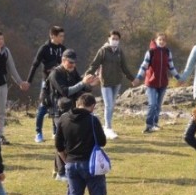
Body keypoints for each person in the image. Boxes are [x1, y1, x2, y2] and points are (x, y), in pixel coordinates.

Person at [56, 93, 110, 195]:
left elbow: (58, 146)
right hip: (91, 165)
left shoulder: (63, 119)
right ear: (92, 106)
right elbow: (102, 142)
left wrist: (66, 161)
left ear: (77, 103)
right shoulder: (92, 120)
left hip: (71, 164)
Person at [47, 50, 96, 180]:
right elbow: (65, 92)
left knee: (66, 140)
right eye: (70, 62)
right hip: (58, 110)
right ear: (63, 60)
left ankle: (58, 170)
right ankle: (62, 172)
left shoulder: (72, 71)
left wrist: (90, 84)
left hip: (71, 110)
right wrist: (82, 83)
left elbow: (81, 86)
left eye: (74, 63)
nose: (73, 65)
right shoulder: (55, 74)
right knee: (62, 141)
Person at [86, 30, 135, 140]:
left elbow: (124, 66)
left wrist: (132, 78)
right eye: (113, 38)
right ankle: (108, 128)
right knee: (108, 105)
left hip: (116, 82)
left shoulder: (119, 51)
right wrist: (87, 75)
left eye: (117, 39)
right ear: (109, 39)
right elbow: (94, 64)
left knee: (112, 105)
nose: (115, 41)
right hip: (106, 82)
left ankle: (106, 126)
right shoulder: (103, 50)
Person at [134, 33, 183, 133]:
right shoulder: (151, 52)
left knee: (158, 105)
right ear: (156, 40)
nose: (161, 42)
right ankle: (148, 125)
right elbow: (144, 66)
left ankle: (155, 123)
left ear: (166, 42)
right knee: (152, 104)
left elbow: (171, 67)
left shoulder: (167, 52)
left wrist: (179, 77)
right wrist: (138, 77)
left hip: (163, 83)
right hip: (151, 83)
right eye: (160, 40)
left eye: (163, 40)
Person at [27, 25, 66, 143]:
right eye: (60, 36)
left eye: (63, 36)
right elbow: (35, 64)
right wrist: (29, 81)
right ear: (52, 36)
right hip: (47, 82)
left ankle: (56, 132)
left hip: (59, 82)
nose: (62, 38)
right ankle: (38, 132)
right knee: (43, 107)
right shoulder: (44, 48)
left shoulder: (63, 49)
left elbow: (68, 64)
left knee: (57, 106)